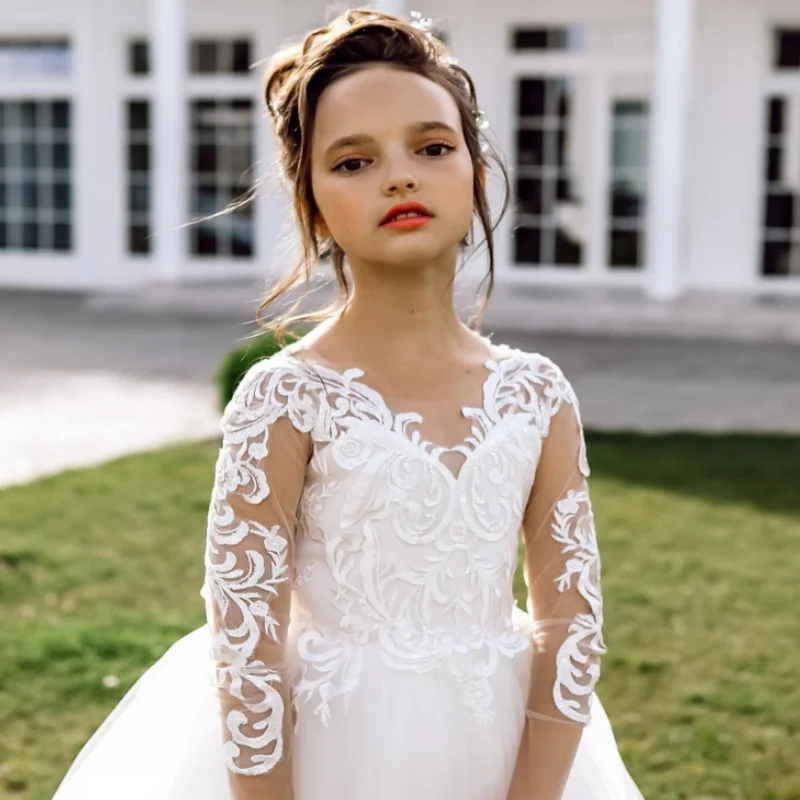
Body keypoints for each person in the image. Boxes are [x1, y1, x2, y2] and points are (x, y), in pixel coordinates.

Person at [52, 8, 645, 800]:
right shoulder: (286, 396)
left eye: (432, 148)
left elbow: (571, 624)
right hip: (328, 754)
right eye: (354, 161)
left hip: (510, 746)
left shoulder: (537, 395)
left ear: (475, 170)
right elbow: (245, 648)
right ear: (312, 204)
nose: (399, 175)